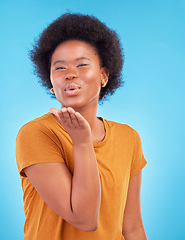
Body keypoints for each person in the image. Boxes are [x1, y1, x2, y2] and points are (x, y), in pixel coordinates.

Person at [16, 13, 148, 240]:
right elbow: (85, 219)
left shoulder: (129, 138)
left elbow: (132, 227)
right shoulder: (36, 134)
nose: (71, 74)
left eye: (82, 64)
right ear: (50, 82)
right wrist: (82, 141)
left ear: (103, 76)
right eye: (59, 68)